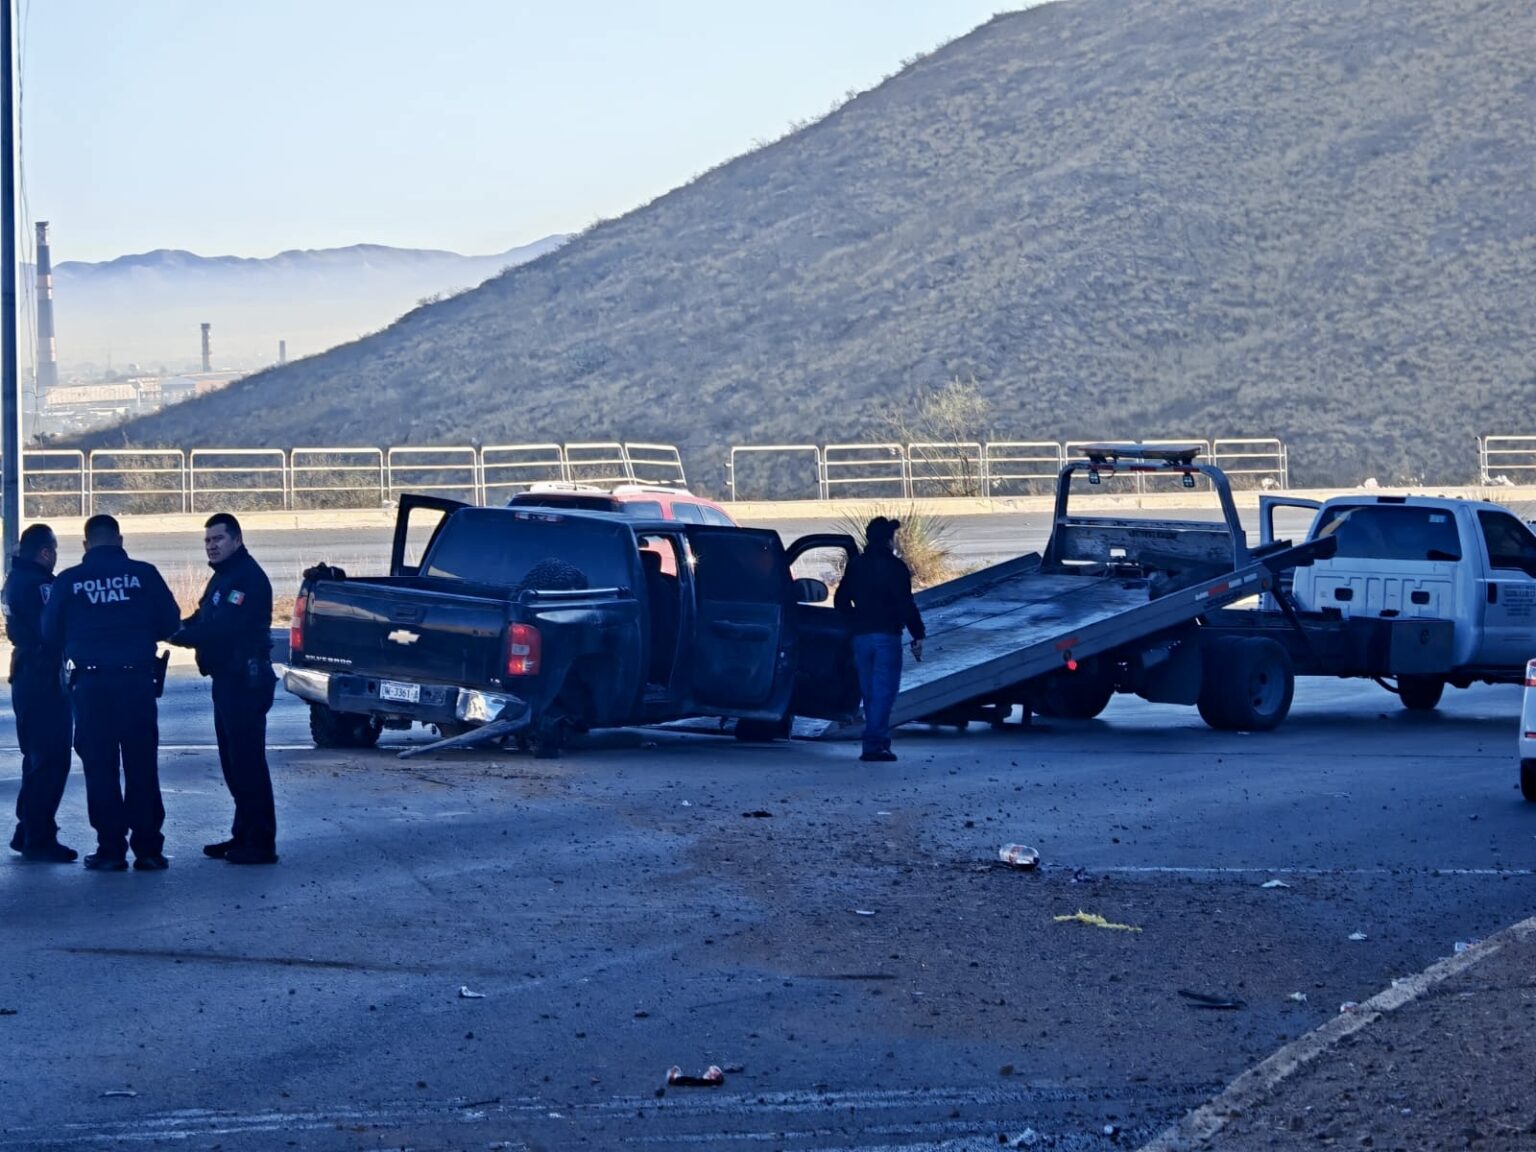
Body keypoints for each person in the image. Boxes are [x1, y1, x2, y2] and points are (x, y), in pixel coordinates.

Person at [42, 514, 180, 871]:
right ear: (119, 540)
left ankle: (110, 849)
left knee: (100, 768)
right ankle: (148, 849)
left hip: (91, 686)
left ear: (86, 545)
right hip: (137, 683)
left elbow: (48, 633)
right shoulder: (144, 574)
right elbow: (170, 623)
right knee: (142, 766)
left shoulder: (69, 581)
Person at [170, 513, 279, 865]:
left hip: (245, 682)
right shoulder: (223, 578)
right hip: (227, 680)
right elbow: (203, 619)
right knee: (234, 763)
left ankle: (261, 842)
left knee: (247, 763)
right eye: (207, 541)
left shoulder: (247, 578)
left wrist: (179, 636)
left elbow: (222, 629)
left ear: (236, 539)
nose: (212, 546)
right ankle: (243, 835)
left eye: (217, 539)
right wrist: (171, 627)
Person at [3, 524, 76, 862]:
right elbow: (54, 628)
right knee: (52, 757)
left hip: (27, 673)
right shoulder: (40, 584)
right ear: (46, 552)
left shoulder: (14, 580)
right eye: (55, 551)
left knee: (36, 758)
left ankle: (27, 829)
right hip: (43, 674)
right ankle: (39, 836)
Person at [834, 516, 926, 762]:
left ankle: (875, 741)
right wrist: (918, 634)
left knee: (870, 692)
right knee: (884, 693)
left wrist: (854, 620)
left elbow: (840, 600)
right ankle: (874, 744)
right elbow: (906, 605)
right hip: (887, 636)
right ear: (888, 539)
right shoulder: (896, 568)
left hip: (861, 638)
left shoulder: (856, 566)